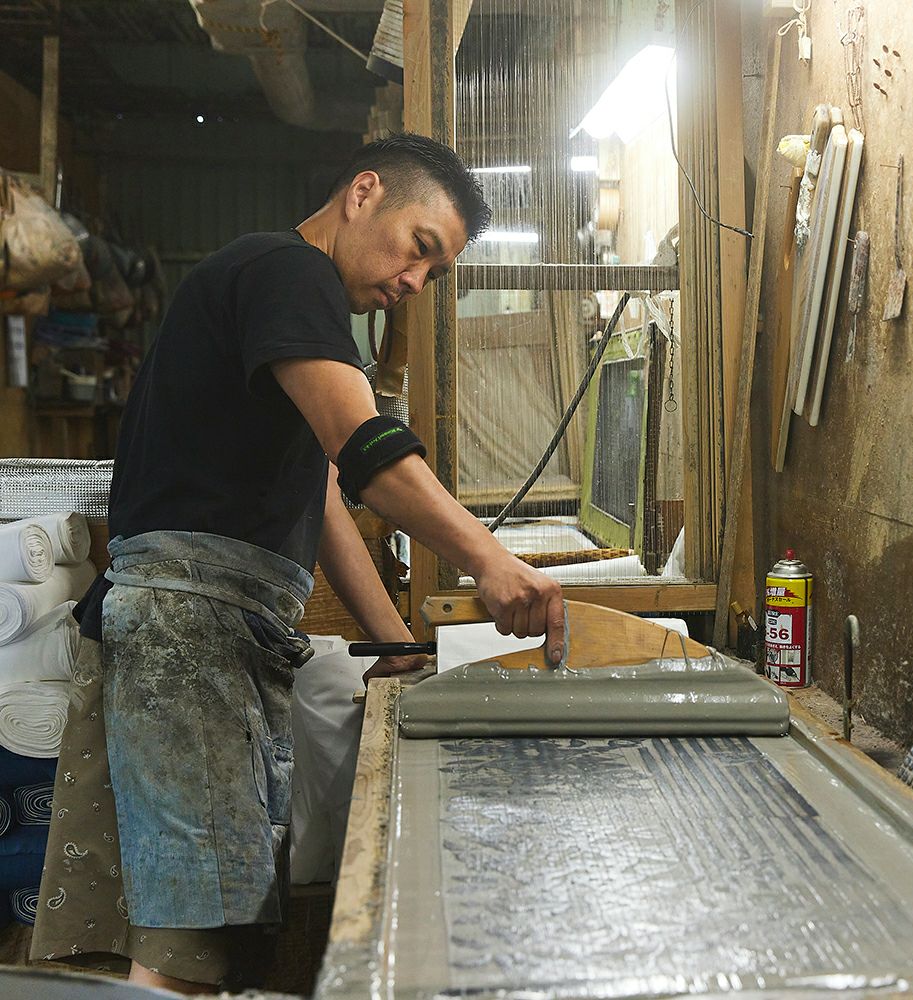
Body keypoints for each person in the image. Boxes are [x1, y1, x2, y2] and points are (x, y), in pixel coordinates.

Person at [30, 133, 563, 995]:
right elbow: (366, 449)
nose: (414, 281)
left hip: (185, 626)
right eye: (418, 248)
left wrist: (394, 642)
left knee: (180, 933)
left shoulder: (287, 302)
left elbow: (319, 497)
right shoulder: (290, 272)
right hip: (188, 632)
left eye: (435, 273)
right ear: (364, 192)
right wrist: (490, 562)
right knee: (190, 949)